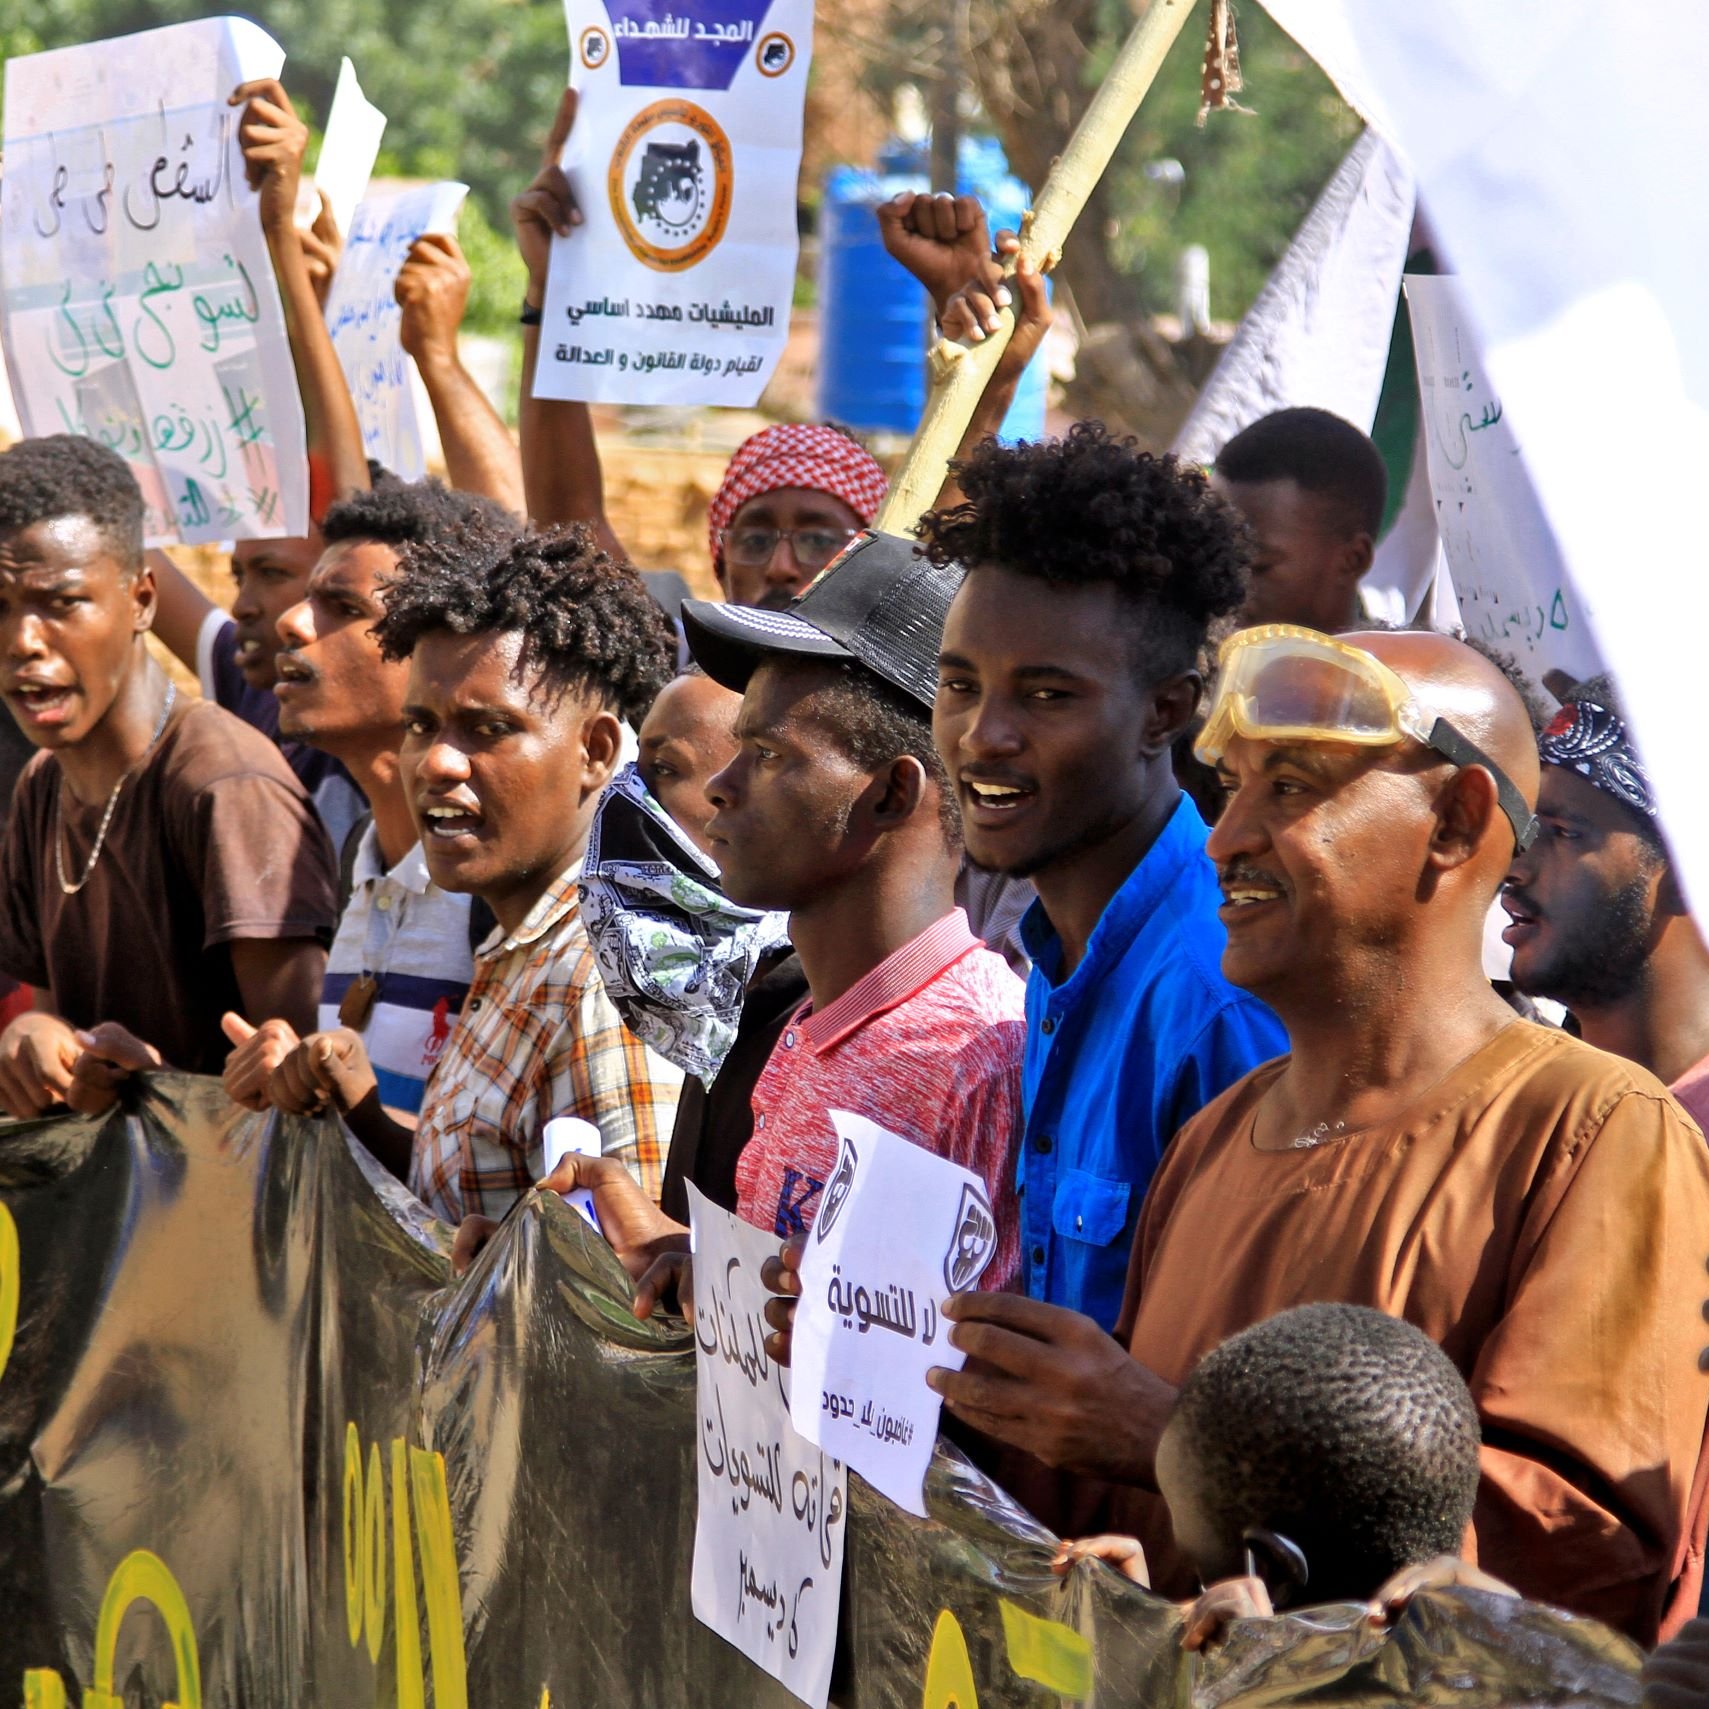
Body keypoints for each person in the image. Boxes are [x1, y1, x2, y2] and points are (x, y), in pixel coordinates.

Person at [909, 625, 1709, 1644]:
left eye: (1288, 787)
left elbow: (1573, 1550)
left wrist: (1173, 1440)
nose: (1223, 838)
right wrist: (920, 1371)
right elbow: (1134, 1523)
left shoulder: (1595, 1129)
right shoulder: (1214, 1138)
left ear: (1456, 822)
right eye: (1230, 787)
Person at [535, 531, 1027, 1307]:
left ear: (891, 793)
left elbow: (964, 1358)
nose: (720, 787)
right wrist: (691, 1268)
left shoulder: (975, 1056)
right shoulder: (804, 1029)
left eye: (767, 755)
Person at [917, 424, 1288, 1326]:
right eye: (959, 685)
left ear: (1164, 712)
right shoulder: (1054, 955)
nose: (982, 735)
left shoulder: (1217, 996)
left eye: (1047, 695)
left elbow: (1236, 1370)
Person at [263, 522, 685, 1224]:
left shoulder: (608, 987)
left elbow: (633, 1279)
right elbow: (476, 1207)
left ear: (594, 751)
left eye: (489, 729)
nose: (436, 762)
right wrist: (360, 1107)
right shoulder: (517, 948)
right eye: (421, 726)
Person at [0, 436, 336, 1114]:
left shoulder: (225, 786)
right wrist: (37, 1038)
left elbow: (311, 1096)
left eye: (62, 603)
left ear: (143, 599)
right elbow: (53, 1015)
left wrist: (155, 1083)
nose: (22, 641)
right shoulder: (43, 784)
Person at [220, 481, 518, 1121]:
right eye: (308, 599)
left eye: (342, 606)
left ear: (434, 648)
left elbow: (515, 1163)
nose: (293, 623)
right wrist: (298, 1079)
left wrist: (347, 1102)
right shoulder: (361, 857)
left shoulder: (504, 886)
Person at [150, 73, 375, 851]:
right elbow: (107, 527)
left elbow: (352, 507)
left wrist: (279, 233)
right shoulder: (247, 691)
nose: (243, 603)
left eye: (274, 573)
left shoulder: (362, 726)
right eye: (238, 573)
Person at [1054, 1304, 1504, 1649]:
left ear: (1268, 1574)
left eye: (1198, 1567)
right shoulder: (1494, 1672)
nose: (1188, 1603)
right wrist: (1143, 1655)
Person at [1503, 677, 1709, 1129]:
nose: (1515, 867)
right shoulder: (1516, 1117)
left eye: (1564, 833)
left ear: (1685, 875)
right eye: (1526, 829)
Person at [1211, 407, 1388, 633]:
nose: (1222, 588)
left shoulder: (1401, 658)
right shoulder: (1187, 648)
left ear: (1353, 560)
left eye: (1259, 566)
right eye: (1215, 558)